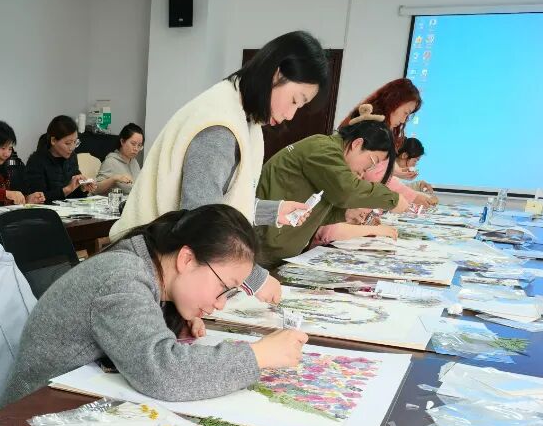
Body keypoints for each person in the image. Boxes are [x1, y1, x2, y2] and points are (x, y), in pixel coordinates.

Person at [108, 31, 331, 304]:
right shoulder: (220, 126)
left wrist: (273, 211)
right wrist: (254, 278)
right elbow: (201, 218)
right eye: (295, 100)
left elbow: (221, 202)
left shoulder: (242, 115)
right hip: (144, 274)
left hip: (162, 269)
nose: (290, 115)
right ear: (276, 74)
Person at [4, 204, 308, 404]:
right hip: (31, 416)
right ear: (186, 259)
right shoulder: (122, 276)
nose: (219, 304)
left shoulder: (145, 267)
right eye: (223, 288)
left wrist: (172, 315)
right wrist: (257, 355)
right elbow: (163, 372)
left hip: (73, 399)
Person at [256, 112, 410, 265]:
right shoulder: (324, 149)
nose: (366, 170)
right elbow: (347, 191)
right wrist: (393, 199)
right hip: (260, 252)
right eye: (372, 161)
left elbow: (313, 213)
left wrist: (344, 213)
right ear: (357, 144)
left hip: (275, 254)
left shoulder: (330, 156)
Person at [339, 79, 438, 207]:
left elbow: (378, 171)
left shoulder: (378, 127)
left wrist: (397, 174)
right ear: (394, 102)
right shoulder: (374, 129)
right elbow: (374, 174)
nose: (404, 120)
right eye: (405, 113)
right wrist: (413, 196)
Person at [24, 116, 93, 202]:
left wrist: (82, 188)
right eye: (68, 143)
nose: (72, 148)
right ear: (53, 140)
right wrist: (67, 189)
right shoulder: (36, 161)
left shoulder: (72, 157)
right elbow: (38, 198)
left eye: (75, 142)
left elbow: (74, 196)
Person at [95, 123, 144, 196]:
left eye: (139, 145)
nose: (136, 149)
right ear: (122, 141)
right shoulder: (111, 162)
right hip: (112, 201)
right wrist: (114, 179)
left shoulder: (135, 162)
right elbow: (95, 189)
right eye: (133, 144)